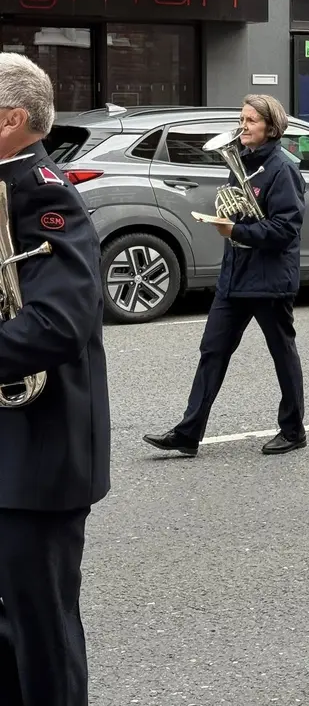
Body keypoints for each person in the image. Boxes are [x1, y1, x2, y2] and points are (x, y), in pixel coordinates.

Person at [0, 53, 110, 706]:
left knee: (43, 641)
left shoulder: (41, 193)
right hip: (13, 452)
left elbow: (60, 322)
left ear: (11, 120)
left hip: (38, 460)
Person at [144, 94, 306, 457]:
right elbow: (238, 209)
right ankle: (188, 433)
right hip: (235, 276)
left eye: (250, 120)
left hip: (269, 278)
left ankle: (293, 430)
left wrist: (236, 231)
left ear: (271, 127)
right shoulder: (241, 164)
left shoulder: (282, 169)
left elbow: (285, 230)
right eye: (242, 119)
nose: (243, 126)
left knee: (281, 353)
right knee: (212, 351)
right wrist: (231, 226)